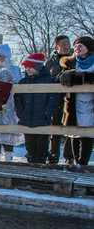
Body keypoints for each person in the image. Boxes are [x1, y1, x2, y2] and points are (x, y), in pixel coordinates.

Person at [14, 53, 58, 164]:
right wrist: (21, 114)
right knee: (30, 148)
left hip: (42, 120)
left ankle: (42, 169)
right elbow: (18, 100)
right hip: (27, 120)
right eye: (26, 66)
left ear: (37, 66)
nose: (27, 69)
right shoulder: (23, 82)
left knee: (42, 148)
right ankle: (31, 166)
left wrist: (47, 114)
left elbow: (52, 100)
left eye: (30, 66)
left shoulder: (49, 81)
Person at [60, 36, 94, 169]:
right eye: (76, 45)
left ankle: (83, 164)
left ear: (89, 48)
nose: (77, 48)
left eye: (81, 45)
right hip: (74, 103)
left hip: (91, 103)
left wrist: (78, 77)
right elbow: (60, 79)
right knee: (74, 132)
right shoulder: (70, 63)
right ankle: (75, 162)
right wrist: (68, 75)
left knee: (87, 133)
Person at [45, 35, 73, 164]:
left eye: (68, 43)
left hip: (72, 99)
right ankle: (53, 156)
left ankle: (69, 157)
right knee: (55, 128)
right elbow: (46, 79)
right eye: (63, 44)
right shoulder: (51, 62)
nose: (67, 46)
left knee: (70, 128)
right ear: (57, 46)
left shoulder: (75, 59)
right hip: (56, 99)